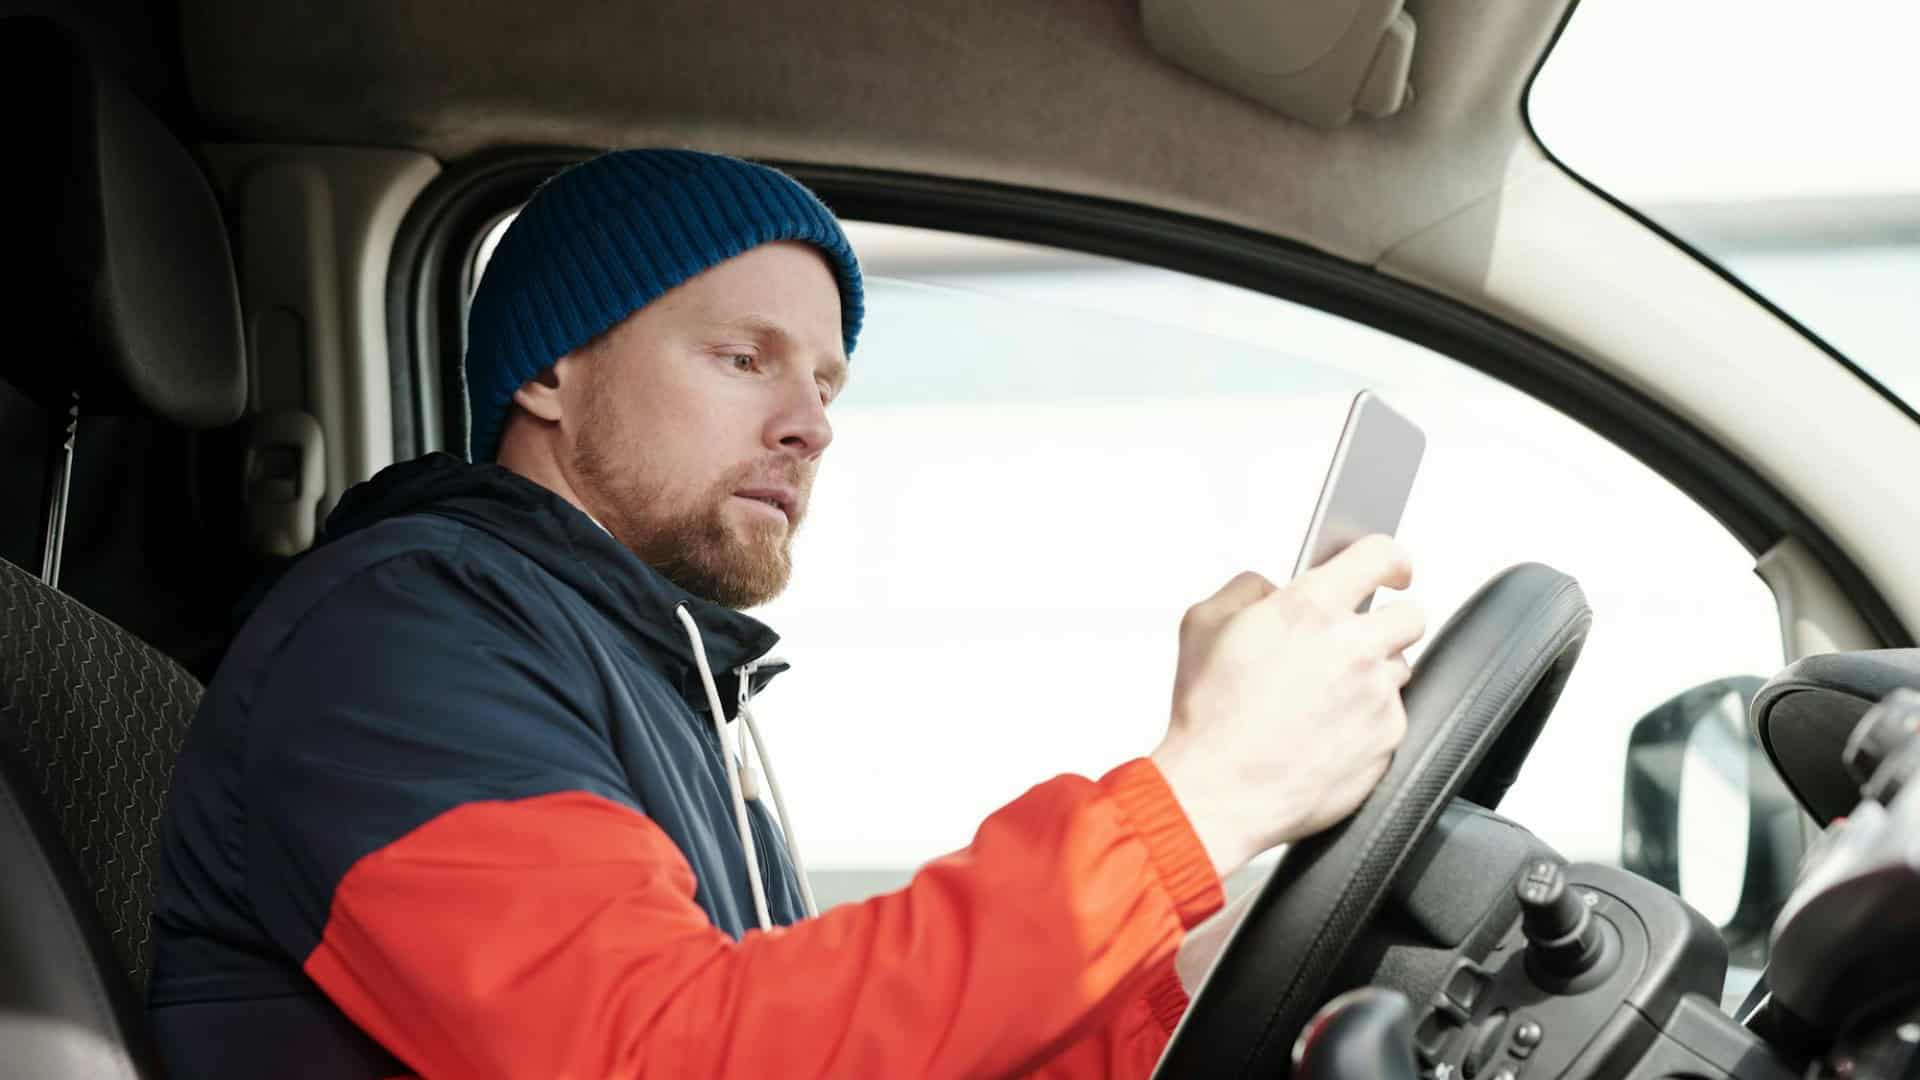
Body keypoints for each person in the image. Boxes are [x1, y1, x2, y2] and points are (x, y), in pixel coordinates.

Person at [148, 148, 1424, 1078]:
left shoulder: (661, 680)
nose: (810, 424)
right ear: (550, 371)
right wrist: (1200, 798)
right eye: (744, 358)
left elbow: (822, 1043)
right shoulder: (397, 639)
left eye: (826, 381)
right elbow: (659, 1055)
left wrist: (1191, 958)